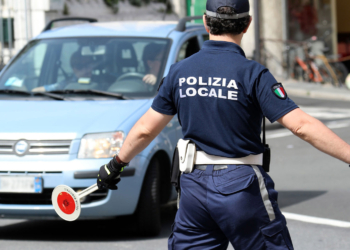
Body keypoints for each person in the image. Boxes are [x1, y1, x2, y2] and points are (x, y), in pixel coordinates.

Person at [96, 0, 350, 249]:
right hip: (241, 186)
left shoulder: (179, 72)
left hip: (193, 187)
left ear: (206, 22)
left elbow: (145, 129)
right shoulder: (253, 73)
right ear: (247, 24)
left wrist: (115, 164)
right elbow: (301, 126)